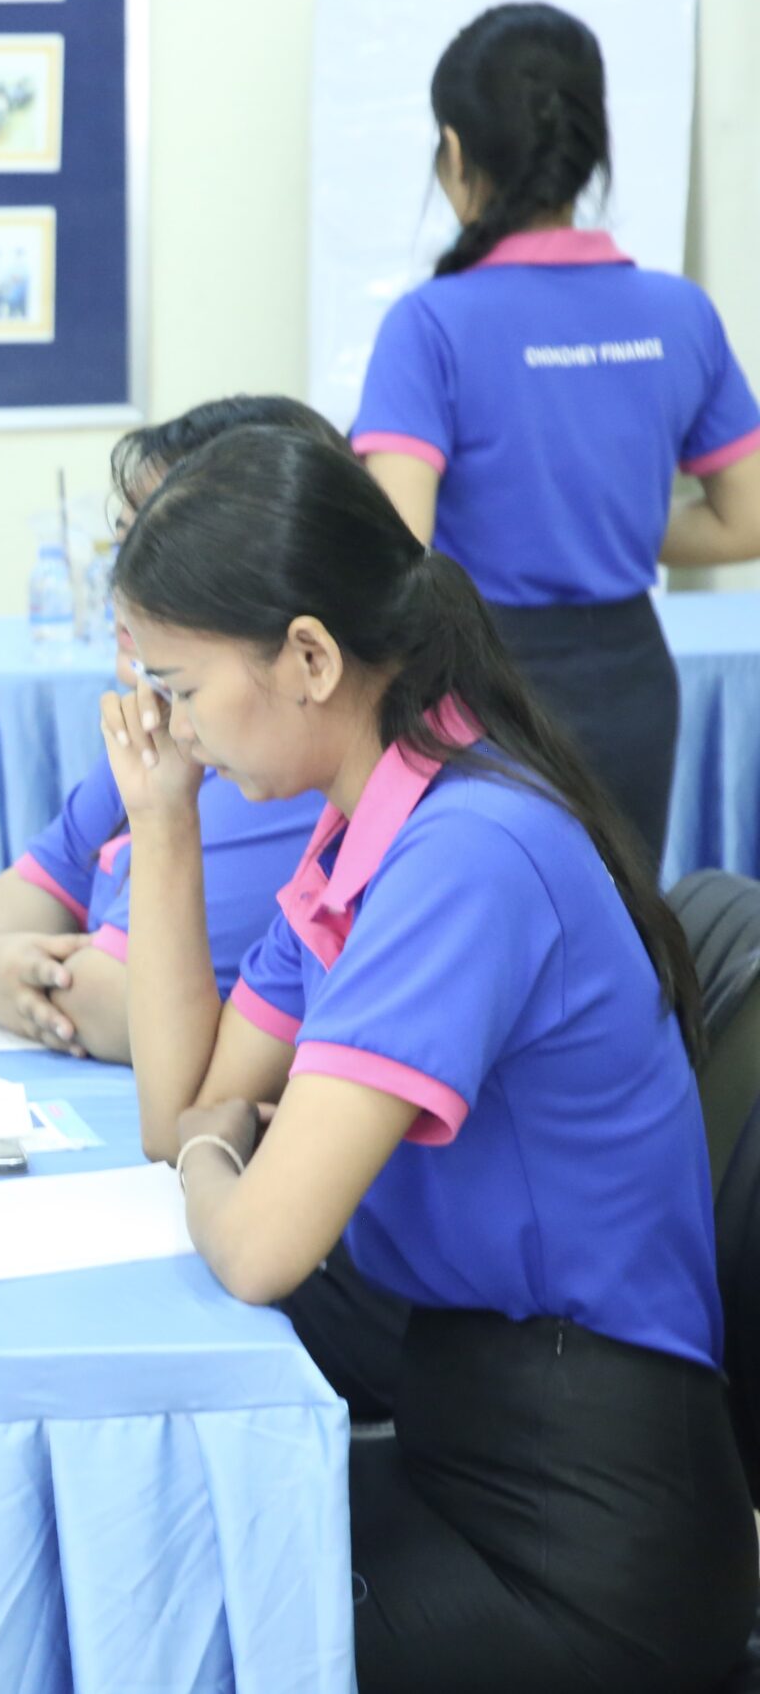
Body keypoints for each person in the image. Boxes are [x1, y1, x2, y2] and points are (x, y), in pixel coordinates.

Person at [106, 425, 752, 1692]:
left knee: (172, 1634)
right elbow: (183, 1106)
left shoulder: (462, 854)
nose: (169, 725)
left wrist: (210, 1158)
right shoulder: (369, 818)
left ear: (307, 657)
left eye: (180, 688)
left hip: (584, 1542)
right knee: (153, 1564)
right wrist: (162, 817)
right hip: (477, 1439)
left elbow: (255, 1241)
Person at [354, 2, 760, 864]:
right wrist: (605, 521)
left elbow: (395, 550)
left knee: (497, 924)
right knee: (621, 924)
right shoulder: (679, 313)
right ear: (586, 144)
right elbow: (746, 520)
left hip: (482, 691)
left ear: (455, 150)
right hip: (633, 685)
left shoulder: (429, 325)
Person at [0, 397, 335, 1064]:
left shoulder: (278, 773)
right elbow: (7, 903)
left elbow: (116, 1006)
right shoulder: (161, 722)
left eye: (157, 551)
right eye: (125, 544)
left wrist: (8, 971)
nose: (124, 586)